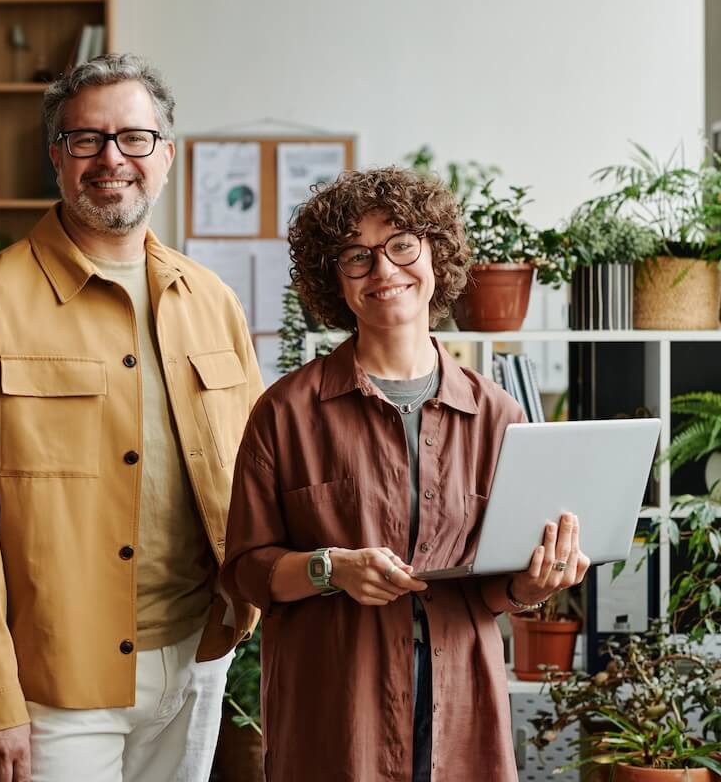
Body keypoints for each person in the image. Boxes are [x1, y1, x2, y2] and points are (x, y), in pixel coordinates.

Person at [0, 54, 262, 782]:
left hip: (199, 656)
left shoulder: (213, 301)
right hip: (55, 679)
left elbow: (255, 472)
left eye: (134, 138)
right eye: (86, 140)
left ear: (165, 156)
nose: (112, 159)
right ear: (57, 157)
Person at [218, 166, 591, 782]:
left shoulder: (498, 415)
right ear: (333, 280)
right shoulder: (284, 411)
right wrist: (329, 568)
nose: (384, 271)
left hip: (460, 700)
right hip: (338, 708)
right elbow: (246, 571)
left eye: (401, 245)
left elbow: (495, 586)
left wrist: (534, 586)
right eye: (356, 257)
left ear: (435, 255)